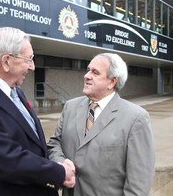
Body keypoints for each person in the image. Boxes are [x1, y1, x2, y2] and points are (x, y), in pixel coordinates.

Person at [0, 27, 75, 196]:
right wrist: (60, 172)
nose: (32, 67)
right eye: (29, 59)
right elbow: (6, 159)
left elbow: (32, 142)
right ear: (6, 61)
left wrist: (58, 161)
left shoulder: (16, 91)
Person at [47, 53, 155, 196]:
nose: (86, 76)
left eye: (95, 72)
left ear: (112, 82)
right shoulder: (70, 107)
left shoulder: (136, 118)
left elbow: (139, 182)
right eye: (88, 70)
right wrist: (61, 163)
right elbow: (54, 143)